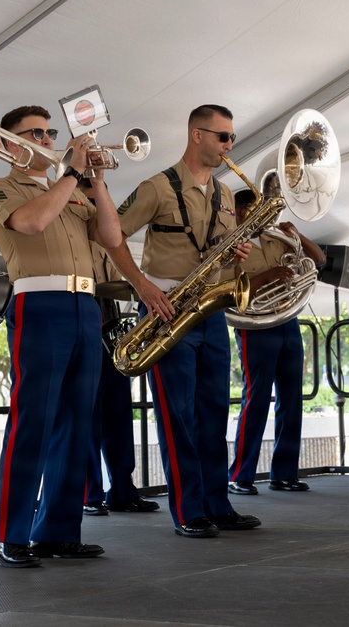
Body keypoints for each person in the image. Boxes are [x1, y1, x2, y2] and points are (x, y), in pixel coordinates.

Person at [107, 104, 261, 538]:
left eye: (231, 137)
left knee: (213, 413)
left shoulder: (227, 194)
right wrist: (142, 286)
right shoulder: (156, 186)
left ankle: (217, 503)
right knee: (178, 415)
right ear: (197, 135)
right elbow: (110, 234)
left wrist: (235, 254)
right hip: (166, 307)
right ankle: (188, 509)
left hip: (209, 310)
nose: (230, 146)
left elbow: (216, 250)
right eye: (223, 137)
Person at [0, 104, 121, 566]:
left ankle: (59, 531)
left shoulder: (73, 189)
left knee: (78, 423)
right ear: (6, 143)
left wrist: (95, 180)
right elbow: (32, 223)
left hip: (85, 306)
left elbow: (113, 237)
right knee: (32, 422)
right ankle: (10, 534)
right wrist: (71, 175)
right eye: (33, 133)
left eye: (48, 132)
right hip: (39, 303)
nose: (44, 140)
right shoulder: (0, 188)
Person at [226, 186, 326, 495]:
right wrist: (268, 276)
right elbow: (230, 289)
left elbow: (319, 260)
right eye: (254, 210)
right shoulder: (230, 246)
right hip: (255, 327)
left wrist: (297, 234)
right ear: (239, 212)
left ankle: (284, 473)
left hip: (287, 321)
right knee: (256, 400)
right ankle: (240, 475)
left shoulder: (276, 237)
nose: (263, 216)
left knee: (292, 398)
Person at [83, 195, 160, 517]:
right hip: (82, 314)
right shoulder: (70, 231)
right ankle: (90, 492)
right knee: (86, 414)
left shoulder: (108, 235)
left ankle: (122, 489)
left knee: (118, 411)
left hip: (109, 319)